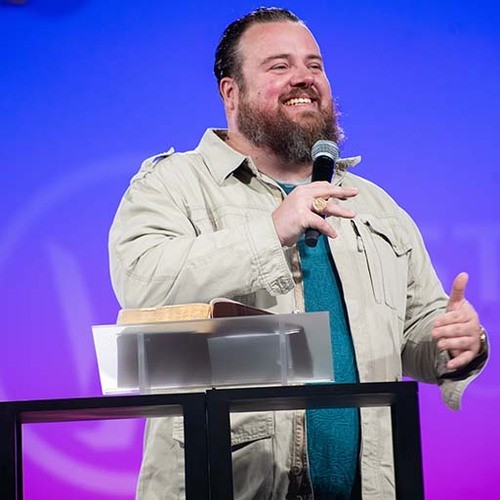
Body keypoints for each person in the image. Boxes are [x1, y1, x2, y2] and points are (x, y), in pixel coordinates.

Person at [109, 7, 488, 499]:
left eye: (314, 64)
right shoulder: (173, 185)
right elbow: (141, 281)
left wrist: (455, 343)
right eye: (279, 66)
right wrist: (272, 230)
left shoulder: (375, 205)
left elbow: (415, 334)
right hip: (227, 486)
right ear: (231, 92)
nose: (304, 78)